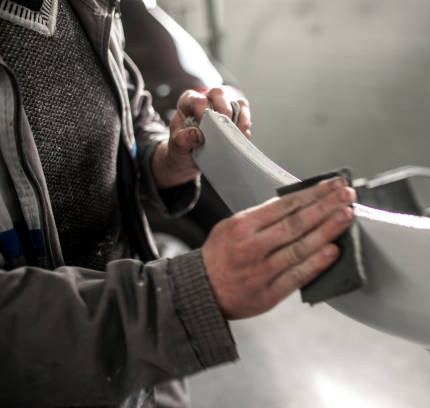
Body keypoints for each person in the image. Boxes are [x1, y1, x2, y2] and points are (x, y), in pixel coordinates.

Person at [0, 0, 356, 406]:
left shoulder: (88, 7)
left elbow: (130, 124)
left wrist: (168, 158)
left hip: (143, 376)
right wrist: (181, 296)